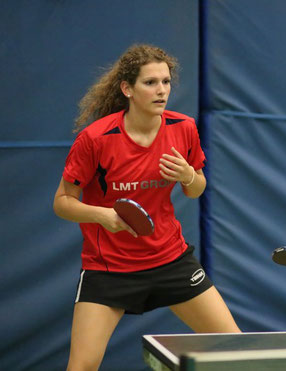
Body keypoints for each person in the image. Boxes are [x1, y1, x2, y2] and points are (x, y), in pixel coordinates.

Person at [53, 44, 240, 370]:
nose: (162, 90)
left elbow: (196, 189)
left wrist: (188, 176)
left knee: (236, 349)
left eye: (166, 82)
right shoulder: (96, 138)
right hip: (109, 268)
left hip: (170, 260)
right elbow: (63, 203)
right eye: (150, 83)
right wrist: (103, 215)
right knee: (82, 366)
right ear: (127, 89)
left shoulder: (183, 128)